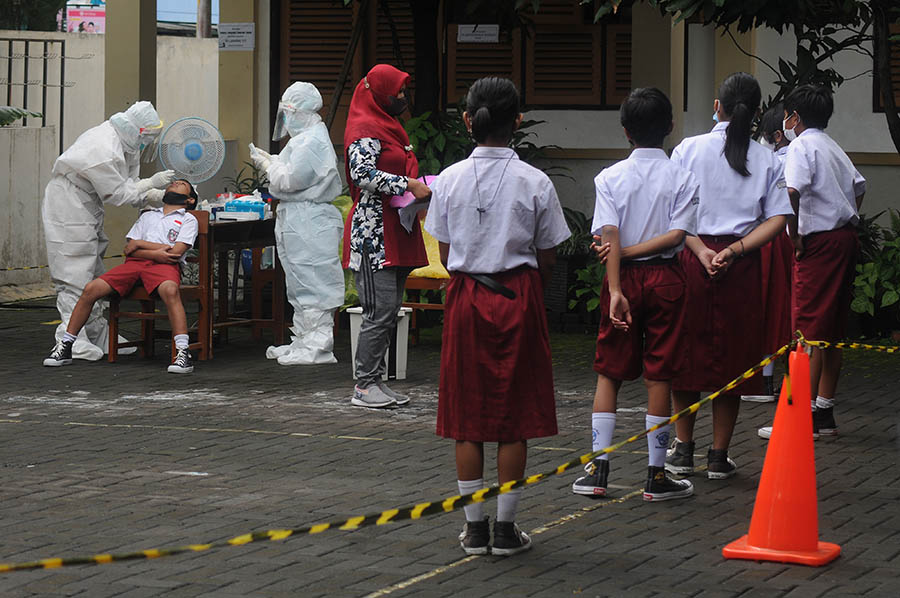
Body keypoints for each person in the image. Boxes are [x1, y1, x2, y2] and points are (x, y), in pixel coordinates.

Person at [425, 77, 570, 556]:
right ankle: (506, 529)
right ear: (518, 122)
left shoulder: (448, 179)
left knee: (466, 416)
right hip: (518, 295)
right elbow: (548, 255)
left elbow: (446, 252)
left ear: (468, 120)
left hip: (467, 295)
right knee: (515, 415)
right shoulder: (536, 181)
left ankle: (474, 528)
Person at [571, 87, 698, 503]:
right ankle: (656, 475)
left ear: (625, 131)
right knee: (659, 373)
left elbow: (608, 236)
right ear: (670, 127)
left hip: (620, 280)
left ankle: (598, 469)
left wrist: (614, 286)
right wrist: (622, 251)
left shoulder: (609, 177)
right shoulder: (683, 176)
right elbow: (678, 235)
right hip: (667, 278)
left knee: (609, 371)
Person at [664, 73, 792, 480]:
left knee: (685, 356)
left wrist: (702, 249)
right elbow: (778, 219)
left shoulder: (687, 149)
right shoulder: (767, 157)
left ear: (716, 106)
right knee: (733, 361)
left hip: (691, 258)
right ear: (756, 114)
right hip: (742, 263)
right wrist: (735, 250)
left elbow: (671, 213)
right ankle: (719, 455)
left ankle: (683, 448)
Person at [42, 100, 175, 362]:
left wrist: (156, 195)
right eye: (146, 138)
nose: (145, 145)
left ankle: (98, 334)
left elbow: (130, 185)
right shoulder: (103, 147)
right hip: (67, 203)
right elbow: (116, 193)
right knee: (74, 270)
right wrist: (150, 185)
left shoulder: (127, 144)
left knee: (93, 270)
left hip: (86, 202)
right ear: (137, 131)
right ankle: (71, 339)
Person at [778, 85, 865, 437]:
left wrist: (794, 235)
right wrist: (845, 215)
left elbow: (792, 192)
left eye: (787, 115)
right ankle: (824, 411)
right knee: (832, 330)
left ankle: (800, 418)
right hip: (845, 238)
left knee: (808, 333)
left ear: (795, 117)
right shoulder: (832, 146)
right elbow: (860, 187)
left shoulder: (800, 146)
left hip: (818, 243)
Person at [342, 64, 431, 408]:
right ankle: (364, 385)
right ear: (379, 94)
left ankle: (377, 380)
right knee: (378, 310)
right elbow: (361, 173)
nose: (402, 98)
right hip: (372, 231)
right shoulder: (365, 127)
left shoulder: (389, 126)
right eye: (397, 93)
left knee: (390, 309)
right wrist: (406, 184)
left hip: (395, 226)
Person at [43, 180, 200, 374]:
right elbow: (129, 249)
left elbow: (175, 253)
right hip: (135, 265)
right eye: (173, 183)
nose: (175, 183)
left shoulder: (189, 219)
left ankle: (182, 353)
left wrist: (141, 247)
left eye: (182, 184)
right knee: (91, 289)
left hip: (164, 266)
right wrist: (156, 250)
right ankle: (65, 345)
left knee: (170, 290)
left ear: (190, 199)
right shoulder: (148, 216)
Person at [250, 81, 344, 365]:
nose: (286, 119)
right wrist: (275, 161)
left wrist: (269, 167)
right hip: (299, 218)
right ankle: (304, 340)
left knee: (313, 281)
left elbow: (289, 180)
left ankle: (319, 345)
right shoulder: (305, 138)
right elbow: (292, 170)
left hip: (309, 219)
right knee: (299, 281)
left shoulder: (312, 141)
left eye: (289, 112)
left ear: (300, 111)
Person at [741, 103, 794, 404]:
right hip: (781, 239)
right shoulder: (784, 158)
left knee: (764, 308)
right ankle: (767, 381)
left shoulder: (771, 161)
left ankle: (762, 382)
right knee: (777, 308)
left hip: (764, 239)